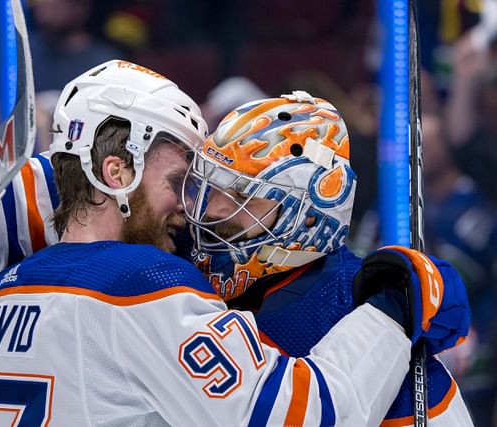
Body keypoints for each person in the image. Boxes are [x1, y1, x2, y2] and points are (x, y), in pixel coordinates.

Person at [0, 60, 469, 425]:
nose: (191, 213)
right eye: (179, 182)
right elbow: (298, 416)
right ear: (115, 172)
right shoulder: (144, 287)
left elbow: (63, 195)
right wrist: (392, 308)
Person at [181, 93, 474, 426]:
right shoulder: (198, 268)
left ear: (307, 216)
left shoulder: (351, 309)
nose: (213, 208)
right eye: (211, 186)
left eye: (242, 195)